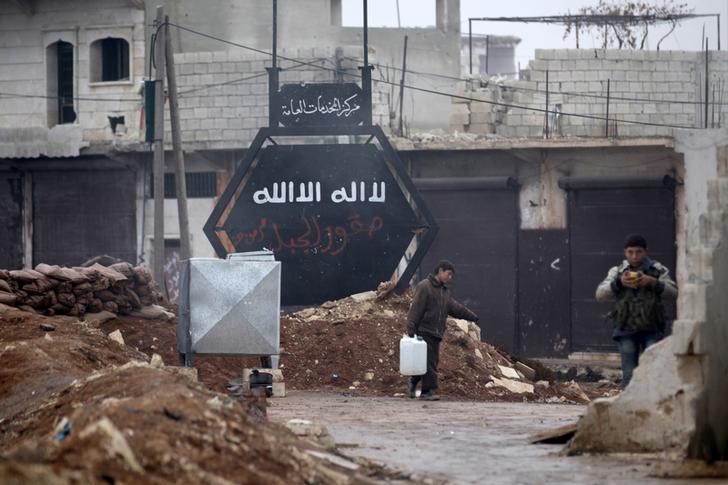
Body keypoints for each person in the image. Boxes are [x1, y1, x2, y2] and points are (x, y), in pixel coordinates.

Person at [595, 234, 677, 387]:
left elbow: (674, 293)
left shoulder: (657, 270)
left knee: (653, 371)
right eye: (630, 252)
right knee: (629, 374)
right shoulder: (618, 271)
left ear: (646, 251)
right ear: (625, 252)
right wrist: (619, 283)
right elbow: (600, 294)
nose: (634, 256)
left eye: (638, 252)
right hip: (625, 329)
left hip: (652, 328)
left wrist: (653, 282)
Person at [405, 260, 479, 401]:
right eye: (448, 274)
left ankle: (413, 382)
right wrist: (411, 327)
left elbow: (456, 308)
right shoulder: (425, 286)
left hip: (436, 333)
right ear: (440, 270)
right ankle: (426, 392)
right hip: (424, 330)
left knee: (427, 361)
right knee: (429, 362)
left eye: (451, 275)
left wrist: (472, 316)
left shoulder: (444, 292)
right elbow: (416, 308)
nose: (449, 278)